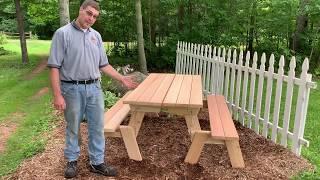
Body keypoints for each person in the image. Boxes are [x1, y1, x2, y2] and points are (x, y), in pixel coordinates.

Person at [47, 0, 137, 178]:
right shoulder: (62, 34)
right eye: (88, 13)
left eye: (95, 16)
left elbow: (103, 64)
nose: (91, 18)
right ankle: (72, 161)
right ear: (80, 10)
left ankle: (96, 162)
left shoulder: (96, 36)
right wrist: (58, 95)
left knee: (97, 127)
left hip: (95, 88)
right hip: (72, 89)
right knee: (73, 127)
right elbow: (54, 67)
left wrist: (122, 78)